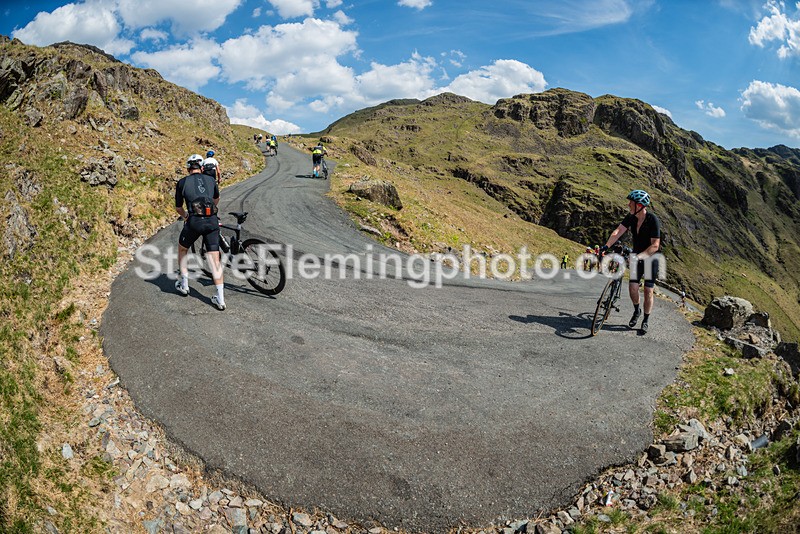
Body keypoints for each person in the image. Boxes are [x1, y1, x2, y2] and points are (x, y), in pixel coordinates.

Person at [600, 189, 661, 333]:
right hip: (636, 255)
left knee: (648, 290)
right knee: (633, 288)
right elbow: (618, 231)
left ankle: (646, 319)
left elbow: (655, 245)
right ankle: (637, 310)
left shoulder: (652, 220)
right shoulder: (631, 217)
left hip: (651, 258)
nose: (628, 205)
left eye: (631, 203)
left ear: (639, 205)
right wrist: (606, 246)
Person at [174, 154, 226, 310]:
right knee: (215, 260)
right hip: (212, 220)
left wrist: (185, 216)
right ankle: (220, 299)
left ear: (188, 168)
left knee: (183, 248)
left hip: (194, 222)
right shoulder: (211, 180)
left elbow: (178, 207)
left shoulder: (182, 182)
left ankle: (184, 285)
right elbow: (216, 199)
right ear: (202, 167)